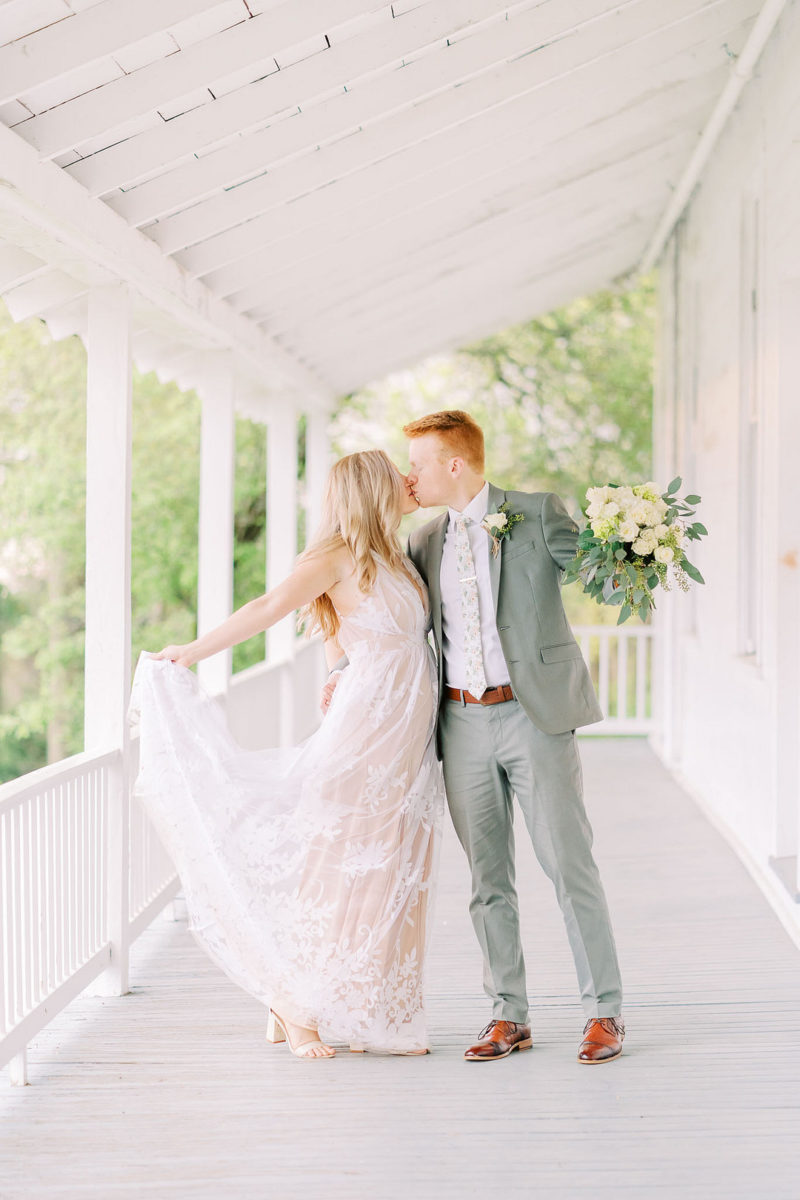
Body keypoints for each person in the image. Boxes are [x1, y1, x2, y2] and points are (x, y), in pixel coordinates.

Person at [325, 412, 624, 1064]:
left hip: (534, 717)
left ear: (453, 465)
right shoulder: (424, 542)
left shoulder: (537, 512)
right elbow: (382, 615)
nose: (410, 475)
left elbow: (598, 580)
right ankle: (507, 1014)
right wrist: (340, 669)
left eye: (419, 463)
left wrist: (634, 551)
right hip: (460, 725)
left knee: (568, 864)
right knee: (488, 879)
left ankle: (603, 1011)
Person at [129, 450, 444, 1059]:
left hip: (406, 733)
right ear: (372, 489)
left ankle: (367, 1008)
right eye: (398, 475)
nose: (410, 481)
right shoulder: (335, 556)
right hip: (367, 732)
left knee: (390, 871)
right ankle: (293, 1004)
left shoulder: (395, 554)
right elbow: (269, 608)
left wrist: (337, 665)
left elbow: (348, 626)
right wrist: (192, 651)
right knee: (340, 866)